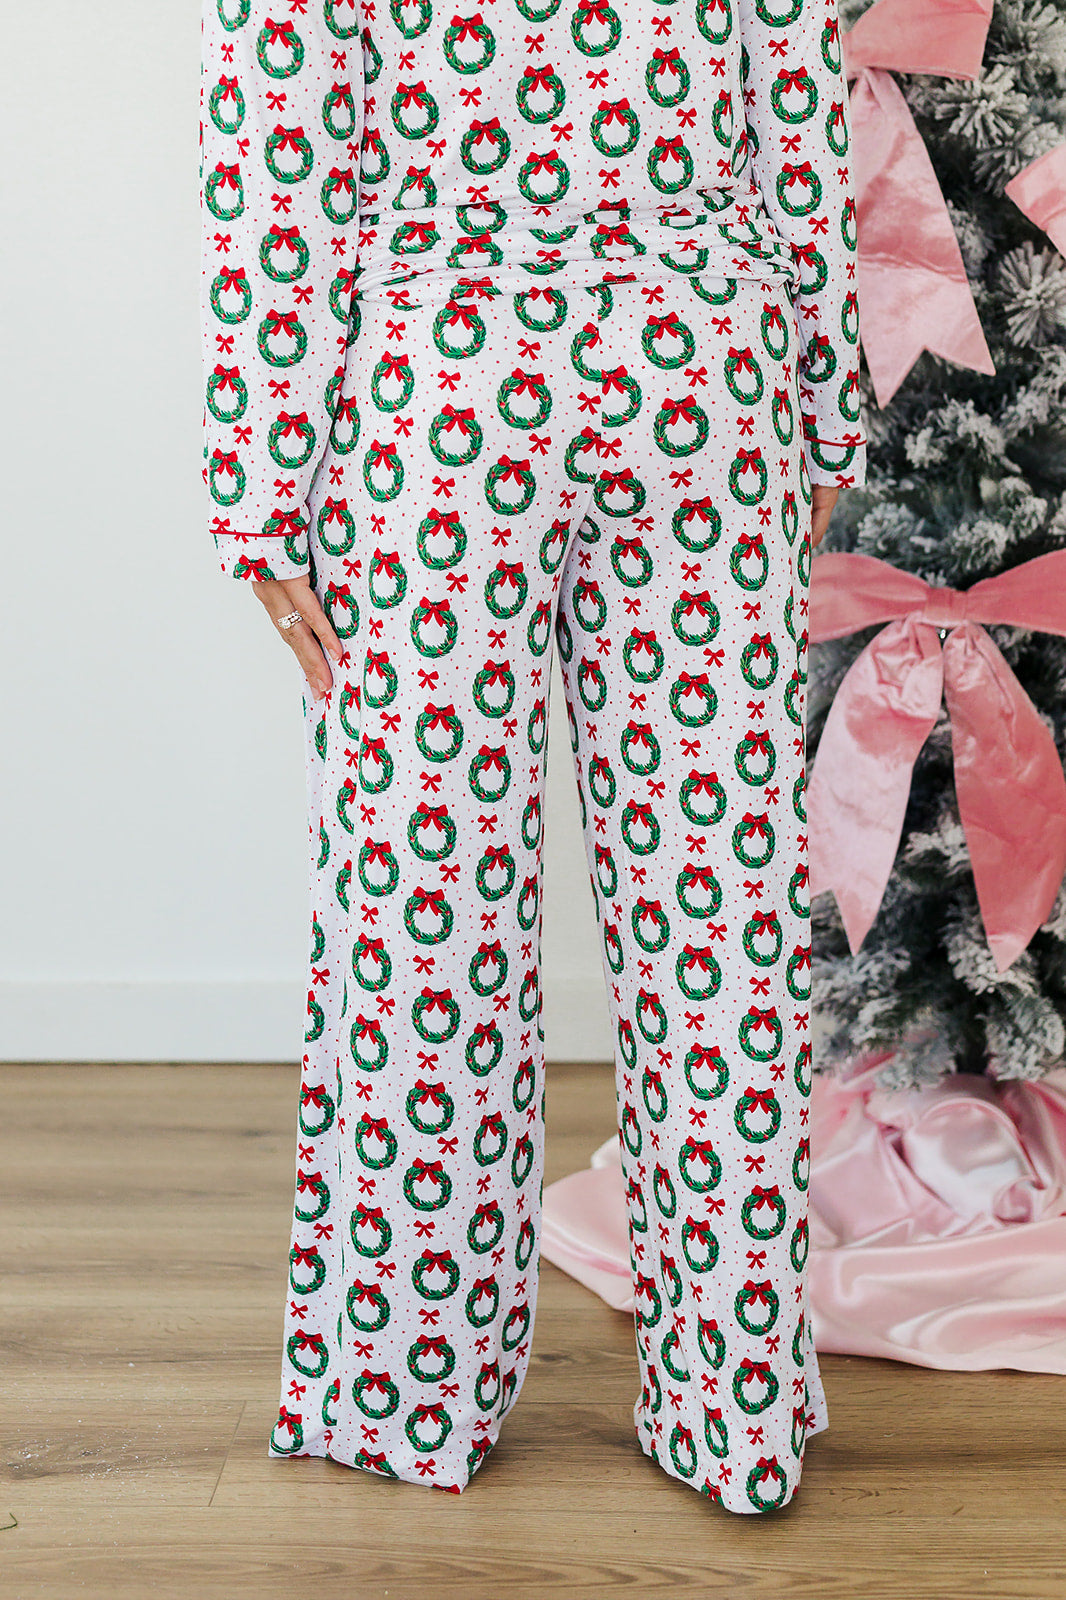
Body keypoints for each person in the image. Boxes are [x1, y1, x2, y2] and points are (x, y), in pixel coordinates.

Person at [200, 0, 864, 1514]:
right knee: (715, 909)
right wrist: (822, 408)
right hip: (701, 373)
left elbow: (275, 140)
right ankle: (737, 1411)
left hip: (440, 386)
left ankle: (403, 1389)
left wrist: (259, 477)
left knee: (420, 904)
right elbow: (798, 97)